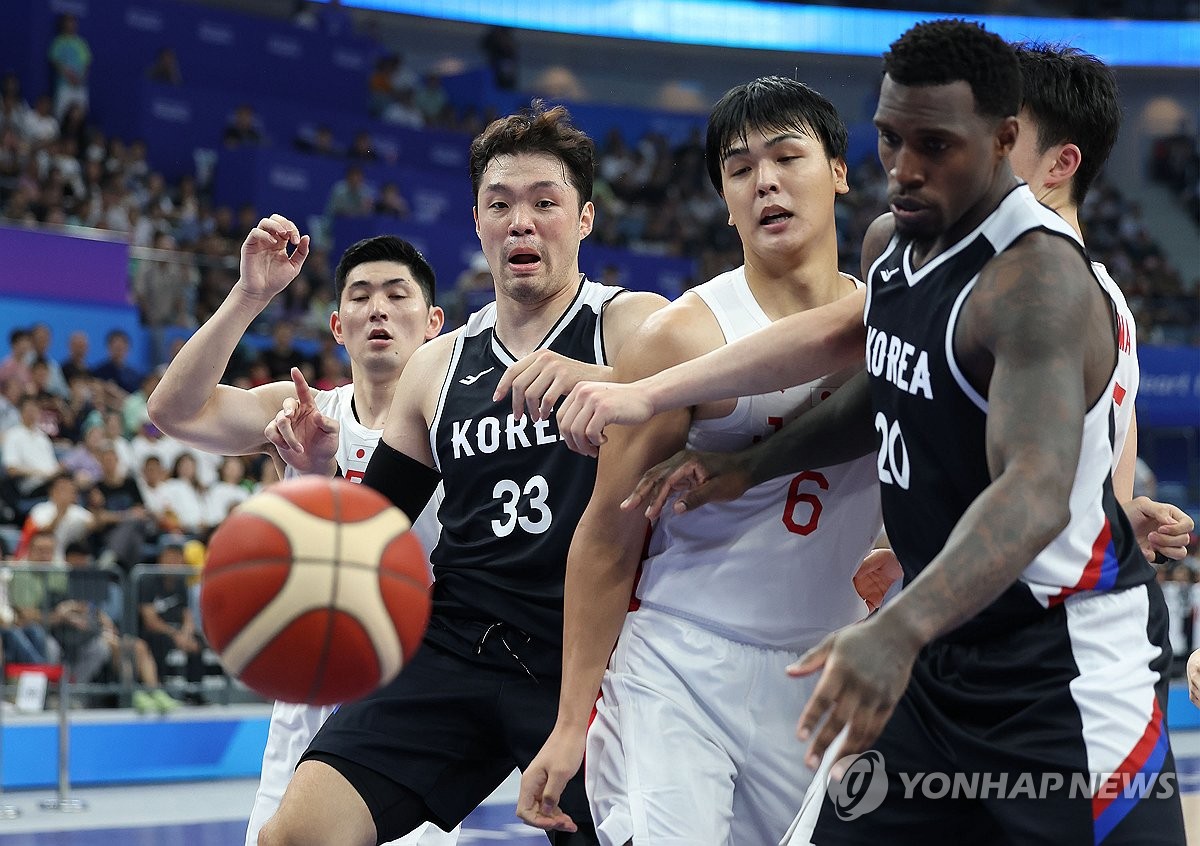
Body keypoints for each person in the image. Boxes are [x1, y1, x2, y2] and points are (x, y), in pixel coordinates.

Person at [666, 21, 1186, 843]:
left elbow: (1038, 489)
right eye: (890, 139)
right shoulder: (900, 243)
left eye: (933, 144)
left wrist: (897, 626)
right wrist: (751, 466)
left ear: (1005, 140)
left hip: (1058, 673)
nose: (905, 168)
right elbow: (878, 384)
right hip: (936, 654)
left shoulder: (1041, 282)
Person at [257, 102, 667, 846]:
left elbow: (717, 397)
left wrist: (607, 380)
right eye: (501, 205)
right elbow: (367, 526)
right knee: (295, 834)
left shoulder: (632, 324)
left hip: (589, 659)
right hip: (454, 646)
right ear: (477, 221)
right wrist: (316, 473)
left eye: (546, 202)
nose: (522, 222)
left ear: (584, 220)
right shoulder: (437, 368)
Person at [514, 77, 883, 845]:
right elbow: (607, 537)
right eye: (741, 169)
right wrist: (570, 721)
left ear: (841, 172)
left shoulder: (894, 318)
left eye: (788, 157)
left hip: (824, 673)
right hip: (680, 664)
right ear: (723, 196)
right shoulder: (683, 334)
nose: (766, 182)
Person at [147, 218, 458, 846]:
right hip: (308, 700)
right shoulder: (302, 411)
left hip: (410, 704)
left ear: (434, 324)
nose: (379, 308)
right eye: (361, 296)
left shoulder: (461, 430)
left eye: (398, 295)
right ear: (337, 327)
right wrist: (250, 296)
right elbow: (171, 411)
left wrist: (317, 478)